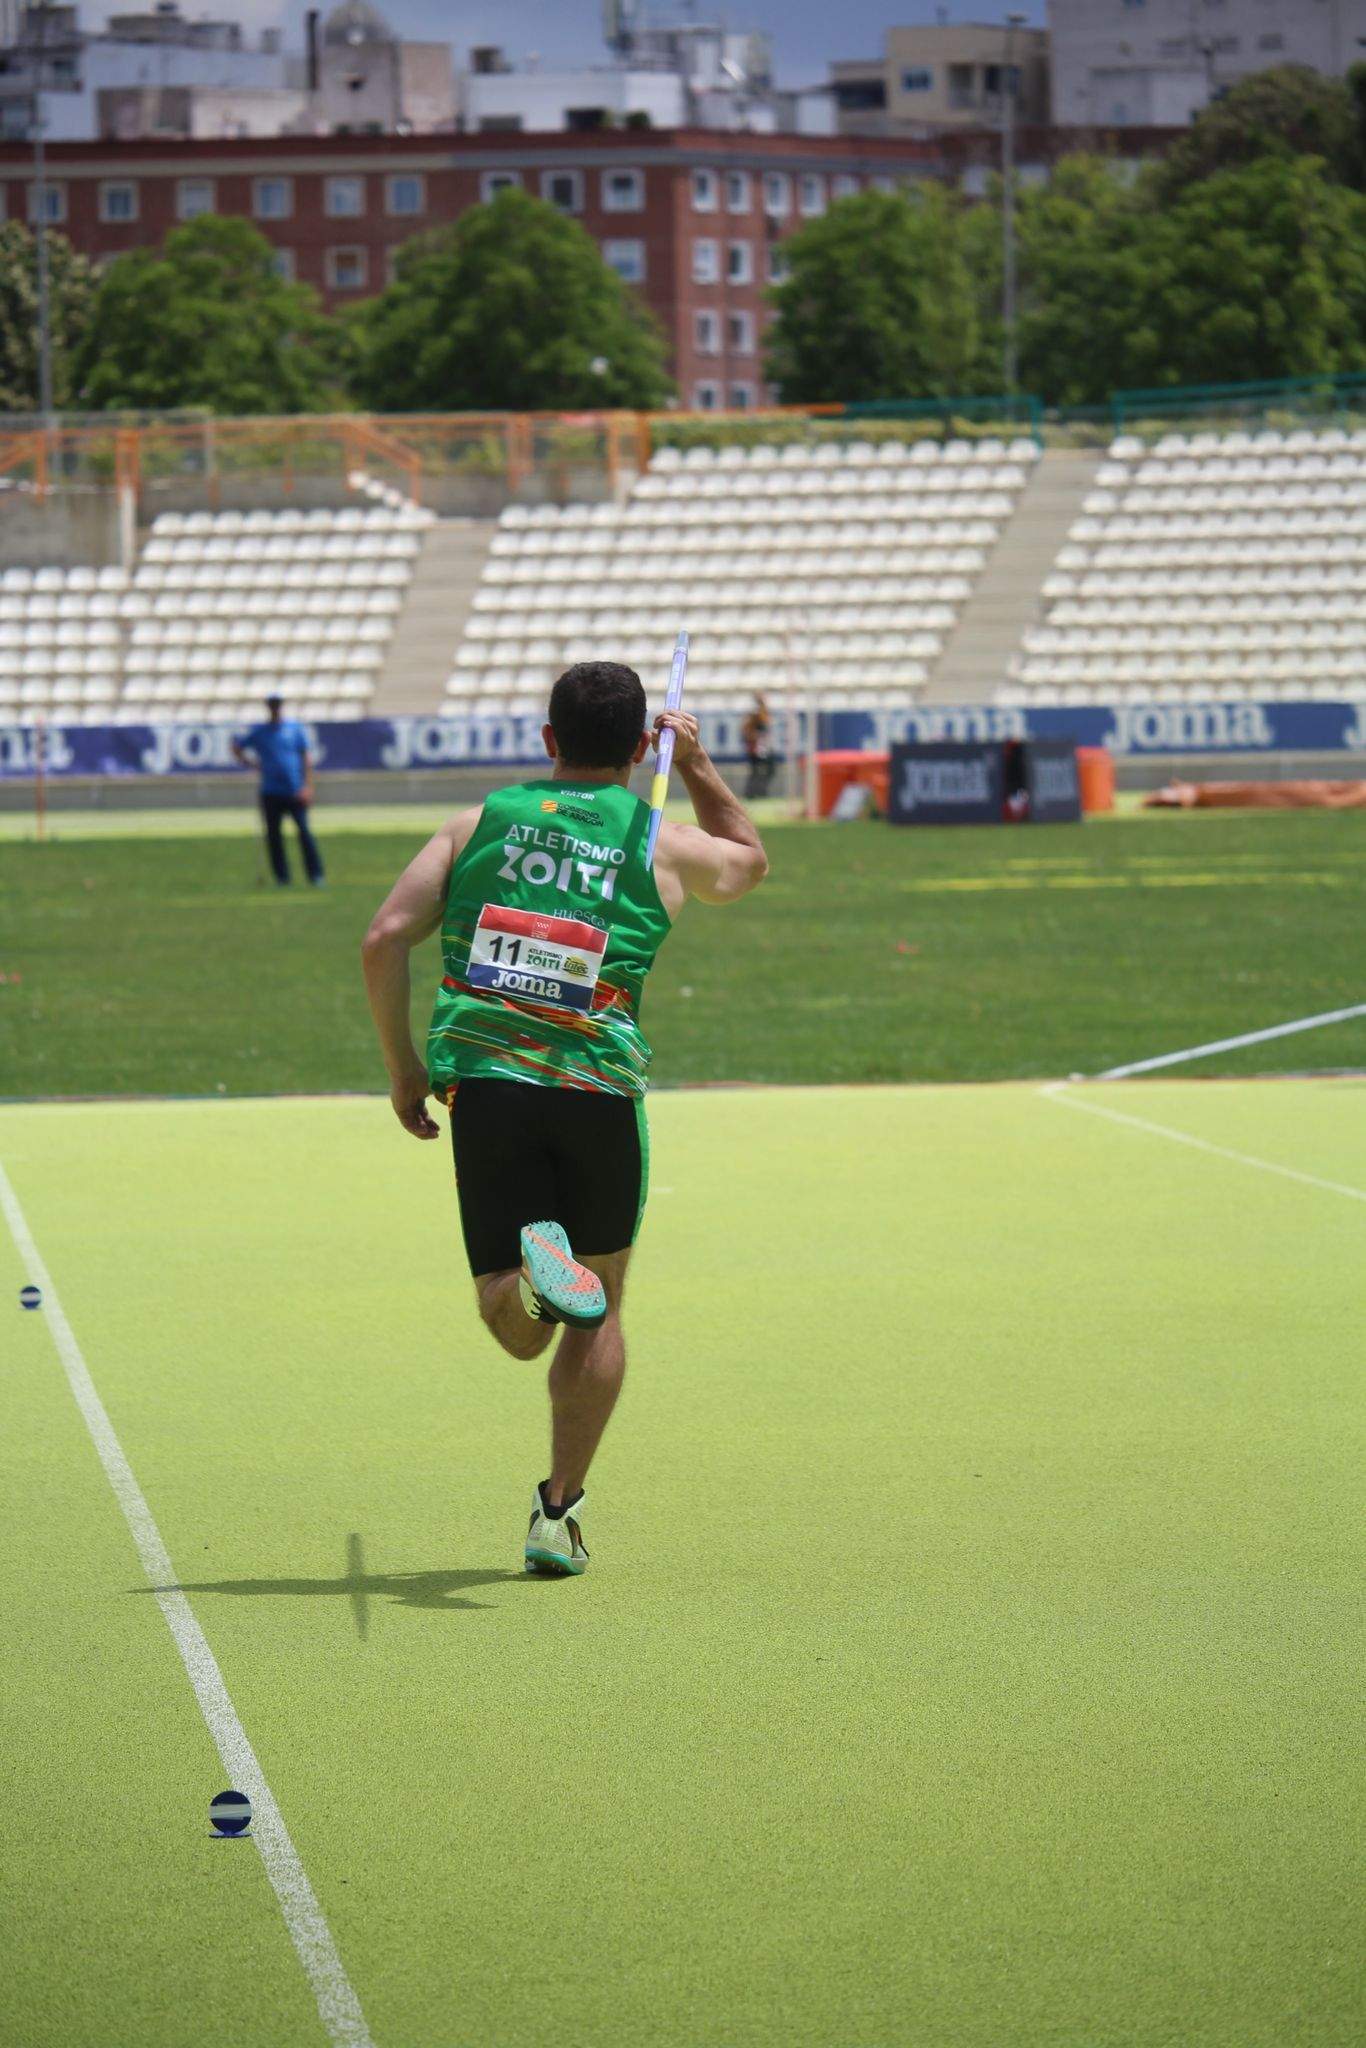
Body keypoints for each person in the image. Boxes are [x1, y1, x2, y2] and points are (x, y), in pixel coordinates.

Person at [361, 662, 768, 1578]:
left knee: (514, 1323)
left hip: (488, 1089)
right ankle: (557, 1513)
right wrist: (696, 766)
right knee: (602, 1313)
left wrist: (403, 1072)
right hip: (598, 1091)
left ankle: (537, 1283)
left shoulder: (478, 824)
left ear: (547, 741)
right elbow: (748, 863)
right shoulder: (659, 839)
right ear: (641, 746)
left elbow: (384, 938)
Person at [232, 694, 325, 887]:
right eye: (272, 705)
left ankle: (315, 875)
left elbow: (306, 759)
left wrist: (307, 786)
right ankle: (282, 878)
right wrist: (252, 764)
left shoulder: (294, 729)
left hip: (295, 790)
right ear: (268, 707)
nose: (275, 708)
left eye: (277, 705)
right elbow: (237, 747)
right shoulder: (260, 732)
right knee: (274, 837)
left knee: (305, 834)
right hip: (271, 791)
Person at [741, 691, 774, 800]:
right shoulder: (755, 713)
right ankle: (753, 793)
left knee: (762, 769)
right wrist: (755, 737)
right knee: (758, 770)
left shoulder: (761, 712)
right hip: (756, 748)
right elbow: (746, 730)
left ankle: (755, 792)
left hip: (761, 747)